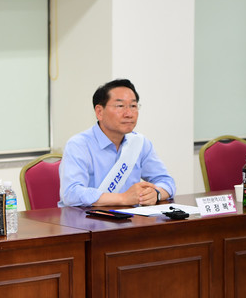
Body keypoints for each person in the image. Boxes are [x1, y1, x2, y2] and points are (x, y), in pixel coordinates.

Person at [59, 79, 175, 207]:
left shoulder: (139, 143)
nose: (129, 114)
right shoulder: (79, 145)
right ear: (99, 112)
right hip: (87, 218)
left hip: (130, 217)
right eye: (120, 106)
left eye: (133, 106)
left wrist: (156, 193)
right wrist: (123, 198)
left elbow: (166, 181)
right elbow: (71, 193)